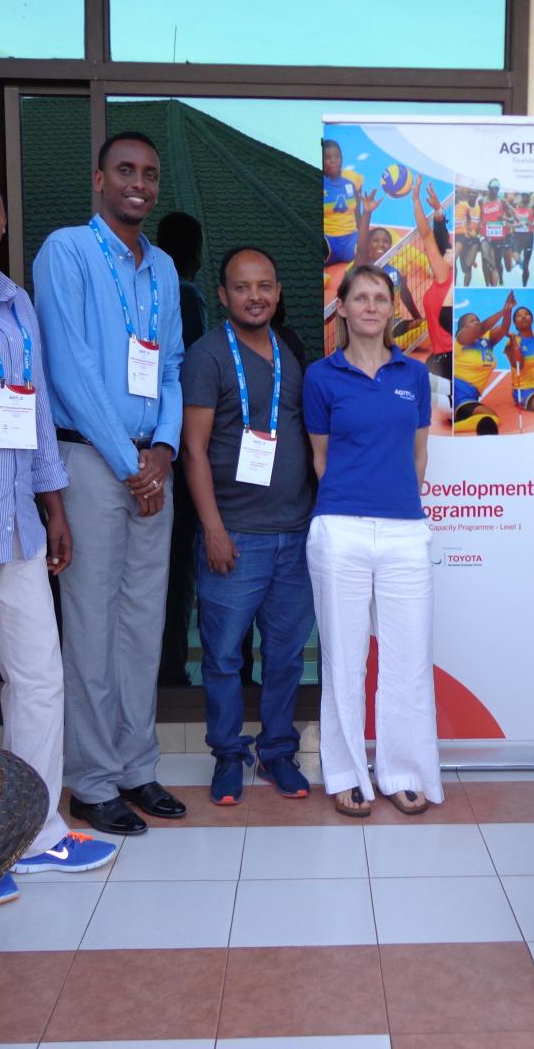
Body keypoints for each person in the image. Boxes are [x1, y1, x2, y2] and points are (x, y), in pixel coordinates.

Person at [0, 161, 115, 903]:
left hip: (19, 524)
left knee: (38, 680)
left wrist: (56, 508)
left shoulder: (14, 301)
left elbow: (37, 410)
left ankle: (33, 831)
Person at [33, 131, 187, 835]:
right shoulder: (65, 251)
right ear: (99, 179)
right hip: (95, 465)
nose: (140, 184)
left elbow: (174, 369)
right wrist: (131, 465)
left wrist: (162, 447)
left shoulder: (160, 268)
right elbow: (68, 369)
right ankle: (91, 778)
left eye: (150, 174)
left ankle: (136, 766)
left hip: (150, 467)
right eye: (126, 170)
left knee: (141, 625)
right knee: (91, 624)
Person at [304, 263, 443, 818]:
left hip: (405, 530)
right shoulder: (322, 376)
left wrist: (397, 506)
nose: (369, 306)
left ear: (391, 310)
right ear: (341, 308)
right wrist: (353, 502)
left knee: (408, 659)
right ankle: (346, 773)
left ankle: (403, 771)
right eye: (358, 297)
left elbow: (419, 455)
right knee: (344, 658)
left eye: (379, 298)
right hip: (340, 528)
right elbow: (319, 458)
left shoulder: (413, 374)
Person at [182, 246, 315, 806]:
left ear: (278, 292)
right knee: (224, 657)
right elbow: (192, 449)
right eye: (242, 287)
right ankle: (228, 757)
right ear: (223, 295)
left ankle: (278, 752)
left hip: (295, 534)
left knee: (285, 656)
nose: (254, 296)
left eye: (264, 285)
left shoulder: (291, 352)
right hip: (234, 534)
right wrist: (212, 527)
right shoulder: (208, 356)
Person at [156, 211, 208, 687]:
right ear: (193, 253)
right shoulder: (186, 296)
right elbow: (195, 381)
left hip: (143, 447)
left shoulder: (147, 290)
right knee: (175, 568)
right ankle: (170, 666)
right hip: (176, 450)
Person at [353, 189, 422, 337]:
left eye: (385, 242)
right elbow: (361, 248)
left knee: (423, 326)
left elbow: (405, 294)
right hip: (371, 324)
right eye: (376, 241)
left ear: (390, 247)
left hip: (395, 322)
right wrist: (367, 213)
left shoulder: (394, 272)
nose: (381, 244)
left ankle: (400, 333)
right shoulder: (363, 267)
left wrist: (417, 318)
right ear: (368, 245)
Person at [411, 178, 453, 413]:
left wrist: (416, 201)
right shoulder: (447, 277)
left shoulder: (445, 275)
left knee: (413, 386)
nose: (447, 251)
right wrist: (438, 211)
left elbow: (427, 237)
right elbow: (438, 238)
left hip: (447, 360)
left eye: (450, 251)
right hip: (440, 359)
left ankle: (454, 398)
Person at [453, 292, 517, 436]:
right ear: (462, 327)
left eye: (477, 319)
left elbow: (504, 329)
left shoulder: (487, 341)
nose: (476, 321)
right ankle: (452, 423)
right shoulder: (461, 339)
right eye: (471, 320)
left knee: (491, 419)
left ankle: (454, 423)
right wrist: (503, 310)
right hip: (456, 390)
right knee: (492, 419)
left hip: (470, 396)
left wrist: (508, 310)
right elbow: (481, 328)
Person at [322, 139, 363, 267]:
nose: (334, 161)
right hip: (329, 241)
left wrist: (362, 235)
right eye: (328, 158)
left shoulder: (353, 179)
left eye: (337, 156)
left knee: (370, 248)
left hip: (351, 240)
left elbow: (357, 211)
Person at [479, 178, 515, 287]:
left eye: (496, 188)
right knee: (486, 259)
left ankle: (498, 280)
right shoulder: (482, 201)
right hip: (486, 235)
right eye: (492, 188)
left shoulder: (502, 201)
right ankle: (488, 286)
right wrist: (480, 225)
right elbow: (480, 216)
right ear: (488, 188)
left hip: (499, 236)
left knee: (497, 264)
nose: (494, 190)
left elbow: (512, 218)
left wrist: (504, 218)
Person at [454, 187, 481, 287]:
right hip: (463, 239)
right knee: (464, 267)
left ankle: (465, 288)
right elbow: (468, 218)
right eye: (470, 193)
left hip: (472, 240)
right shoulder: (464, 206)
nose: (472, 195)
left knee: (468, 267)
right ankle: (455, 285)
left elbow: (480, 223)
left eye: (474, 193)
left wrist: (473, 232)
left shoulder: (478, 208)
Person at [511, 192, 534, 287]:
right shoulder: (515, 205)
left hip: (528, 236)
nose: (524, 197)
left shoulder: (533, 207)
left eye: (526, 196)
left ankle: (524, 286)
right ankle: (520, 262)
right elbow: (512, 217)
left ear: (529, 196)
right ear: (521, 196)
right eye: (523, 196)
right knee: (515, 256)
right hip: (517, 235)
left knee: (526, 266)